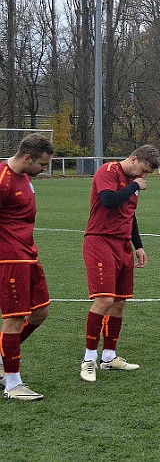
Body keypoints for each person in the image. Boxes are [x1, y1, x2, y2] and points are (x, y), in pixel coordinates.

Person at [80, 145, 160, 382]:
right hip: (100, 241)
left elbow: (129, 215)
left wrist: (139, 245)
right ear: (133, 159)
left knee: (119, 303)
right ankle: (88, 359)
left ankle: (109, 356)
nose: (143, 177)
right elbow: (108, 201)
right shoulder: (108, 170)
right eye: (143, 171)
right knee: (104, 299)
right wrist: (134, 185)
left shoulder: (133, 183)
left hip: (123, 244)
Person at [0, 134, 53, 400]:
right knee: (13, 318)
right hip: (9, 260)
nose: (45, 170)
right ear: (27, 157)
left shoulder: (25, 178)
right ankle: (12, 383)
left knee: (40, 313)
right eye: (43, 165)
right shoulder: (2, 178)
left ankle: (2, 356)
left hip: (29, 256)